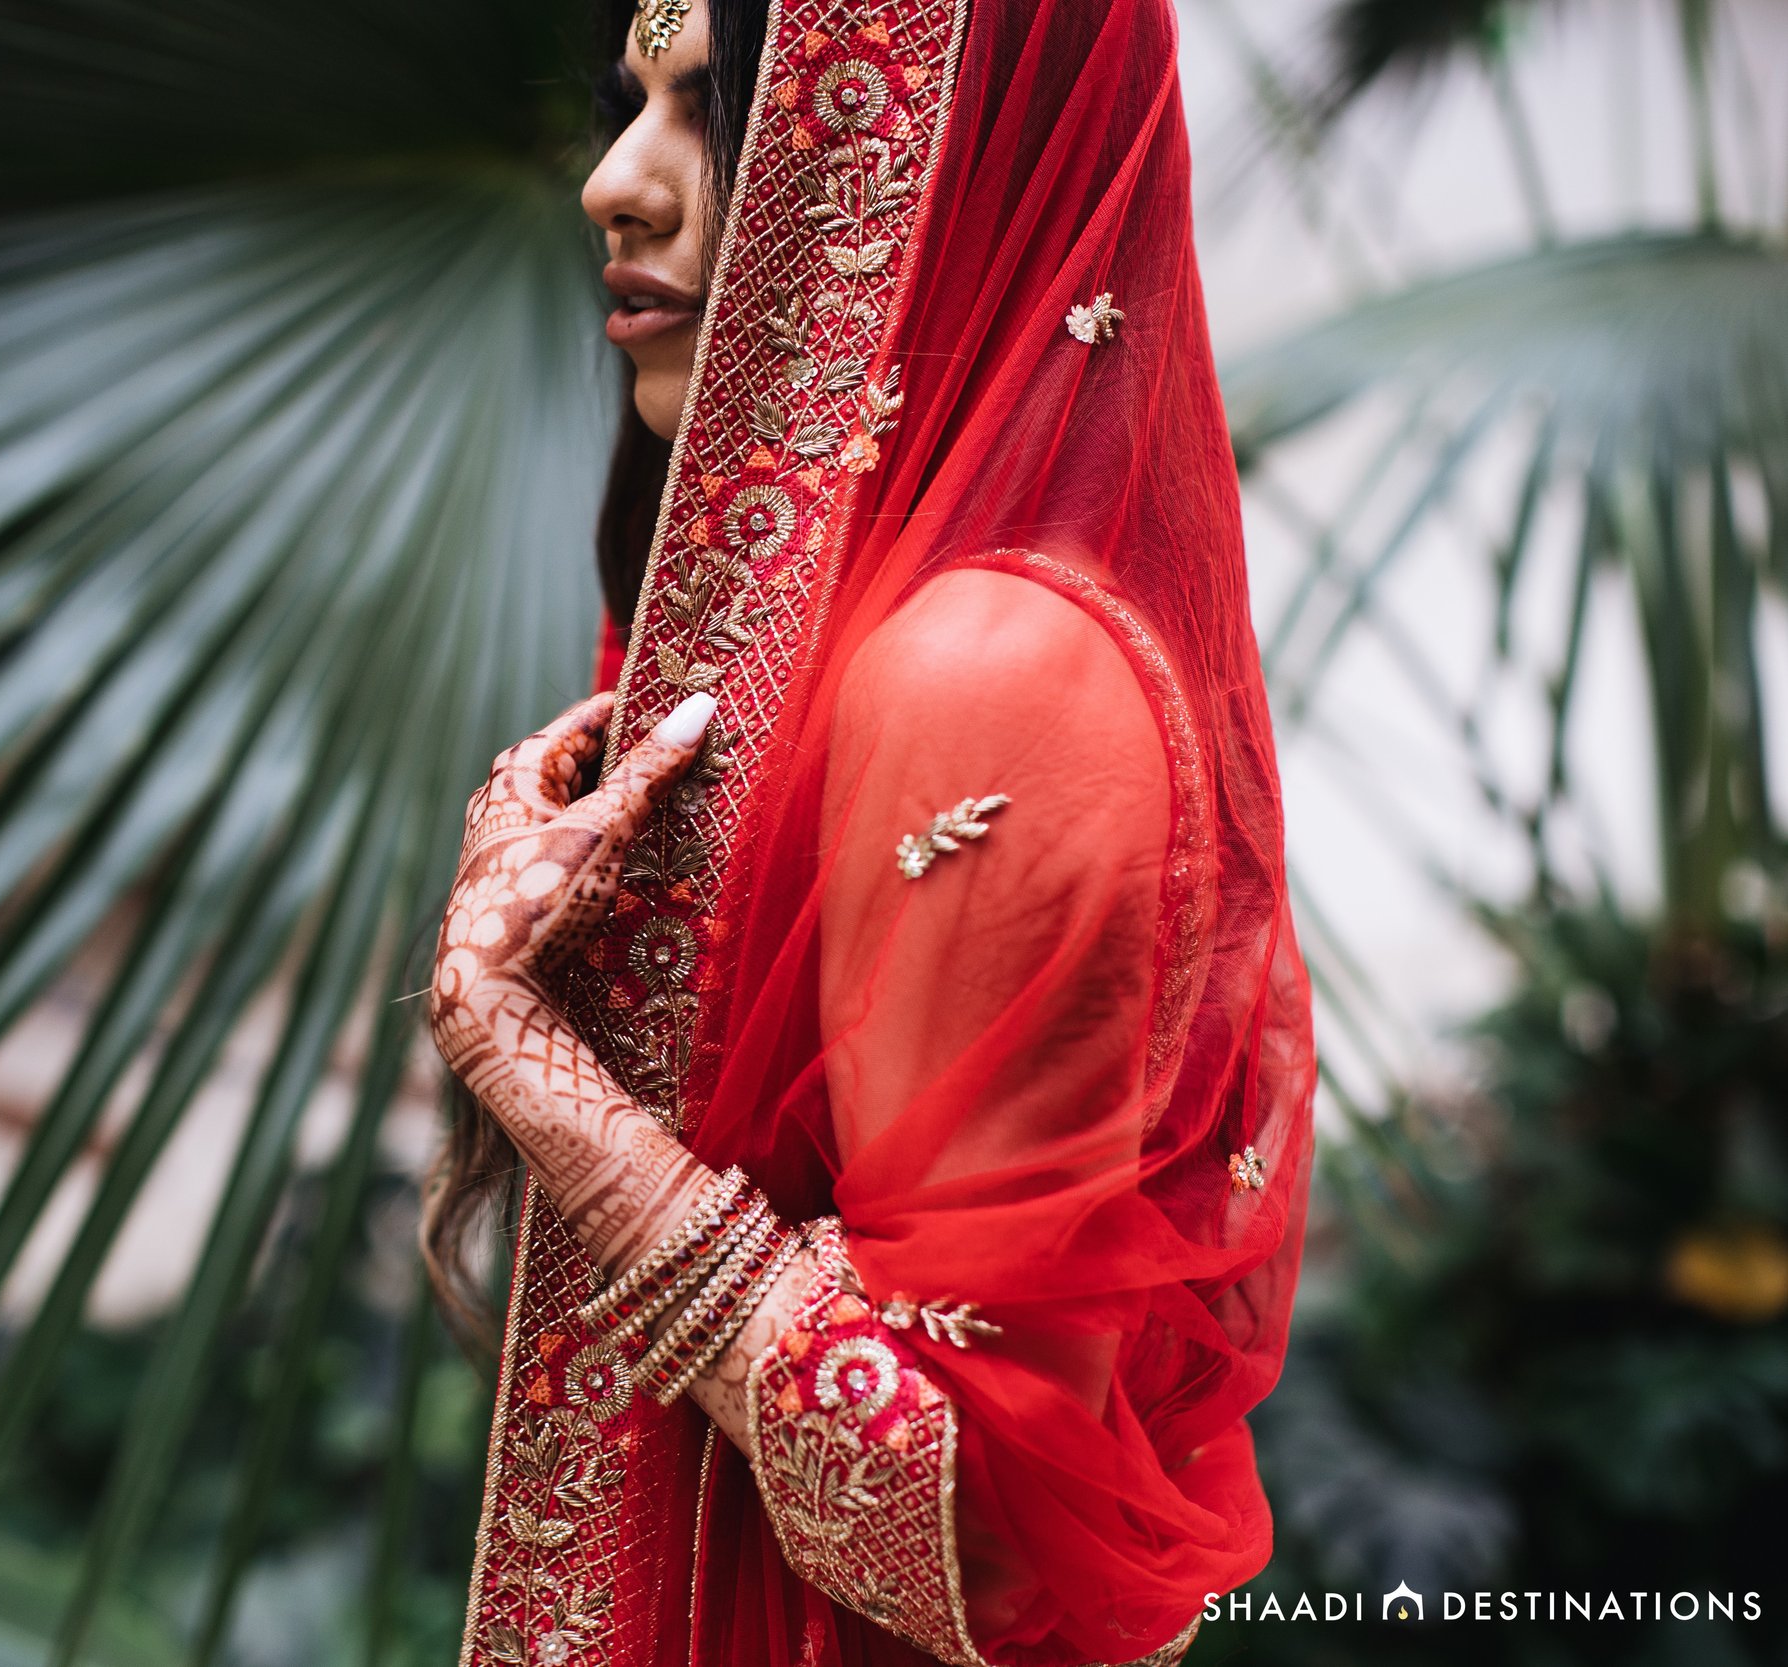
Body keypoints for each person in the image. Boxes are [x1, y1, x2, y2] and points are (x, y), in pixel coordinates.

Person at [425, 0, 1314, 1663]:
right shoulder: (831, 628)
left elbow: (980, 1524)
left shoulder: (986, 666)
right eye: (633, 104)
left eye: (728, 113)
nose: (617, 183)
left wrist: (517, 1049)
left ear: (930, 150)